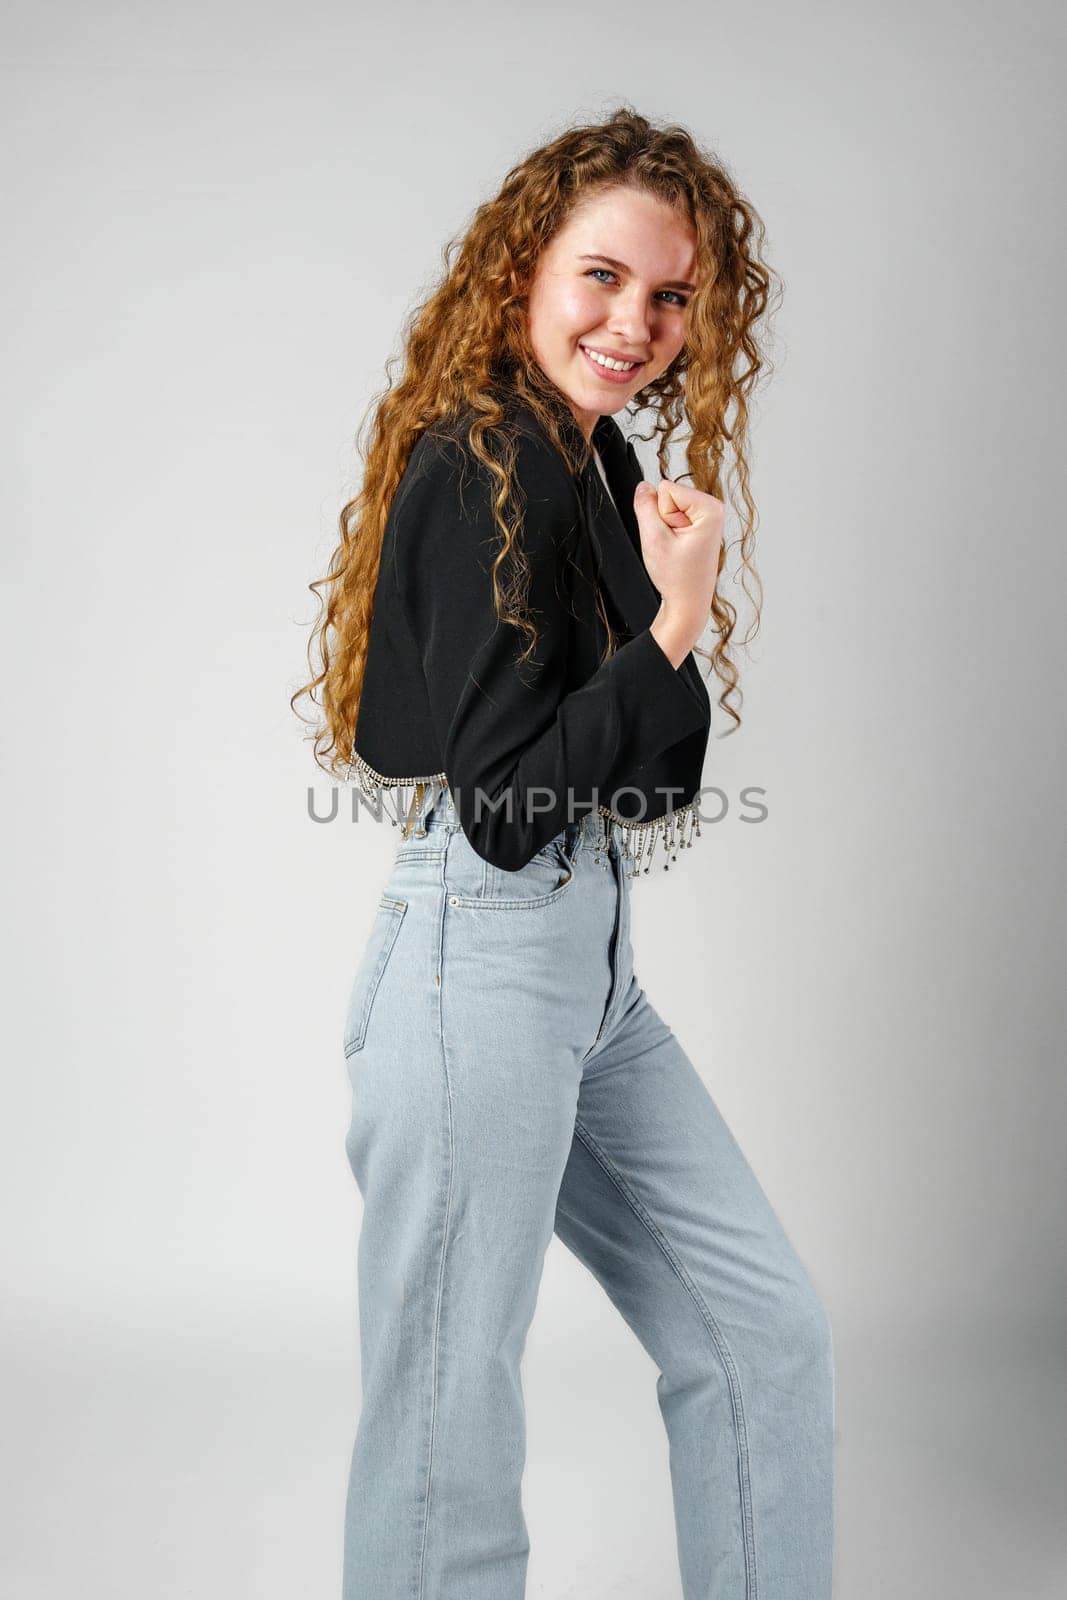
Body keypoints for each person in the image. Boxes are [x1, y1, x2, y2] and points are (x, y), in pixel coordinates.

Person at [292, 106, 835, 1600]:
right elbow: (508, 802)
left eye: (670, 298)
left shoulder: (586, 468)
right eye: (602, 277)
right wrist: (667, 624)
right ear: (525, 266)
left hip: (587, 980)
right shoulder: (481, 463)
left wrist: (670, 603)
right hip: (480, 963)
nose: (634, 324)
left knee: (759, 1334)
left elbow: (650, 788)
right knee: (448, 1418)